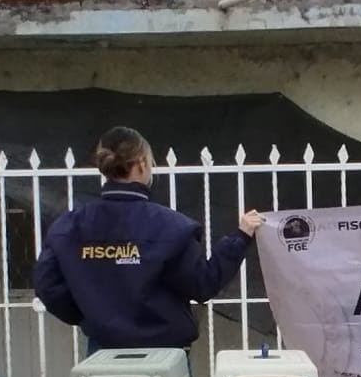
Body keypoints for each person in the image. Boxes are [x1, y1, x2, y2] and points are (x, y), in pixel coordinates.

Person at [33, 126, 264, 353]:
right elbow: (203, 284)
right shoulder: (173, 227)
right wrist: (241, 236)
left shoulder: (69, 227)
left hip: (102, 352)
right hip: (164, 354)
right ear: (142, 163)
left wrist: (92, 316)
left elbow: (47, 286)